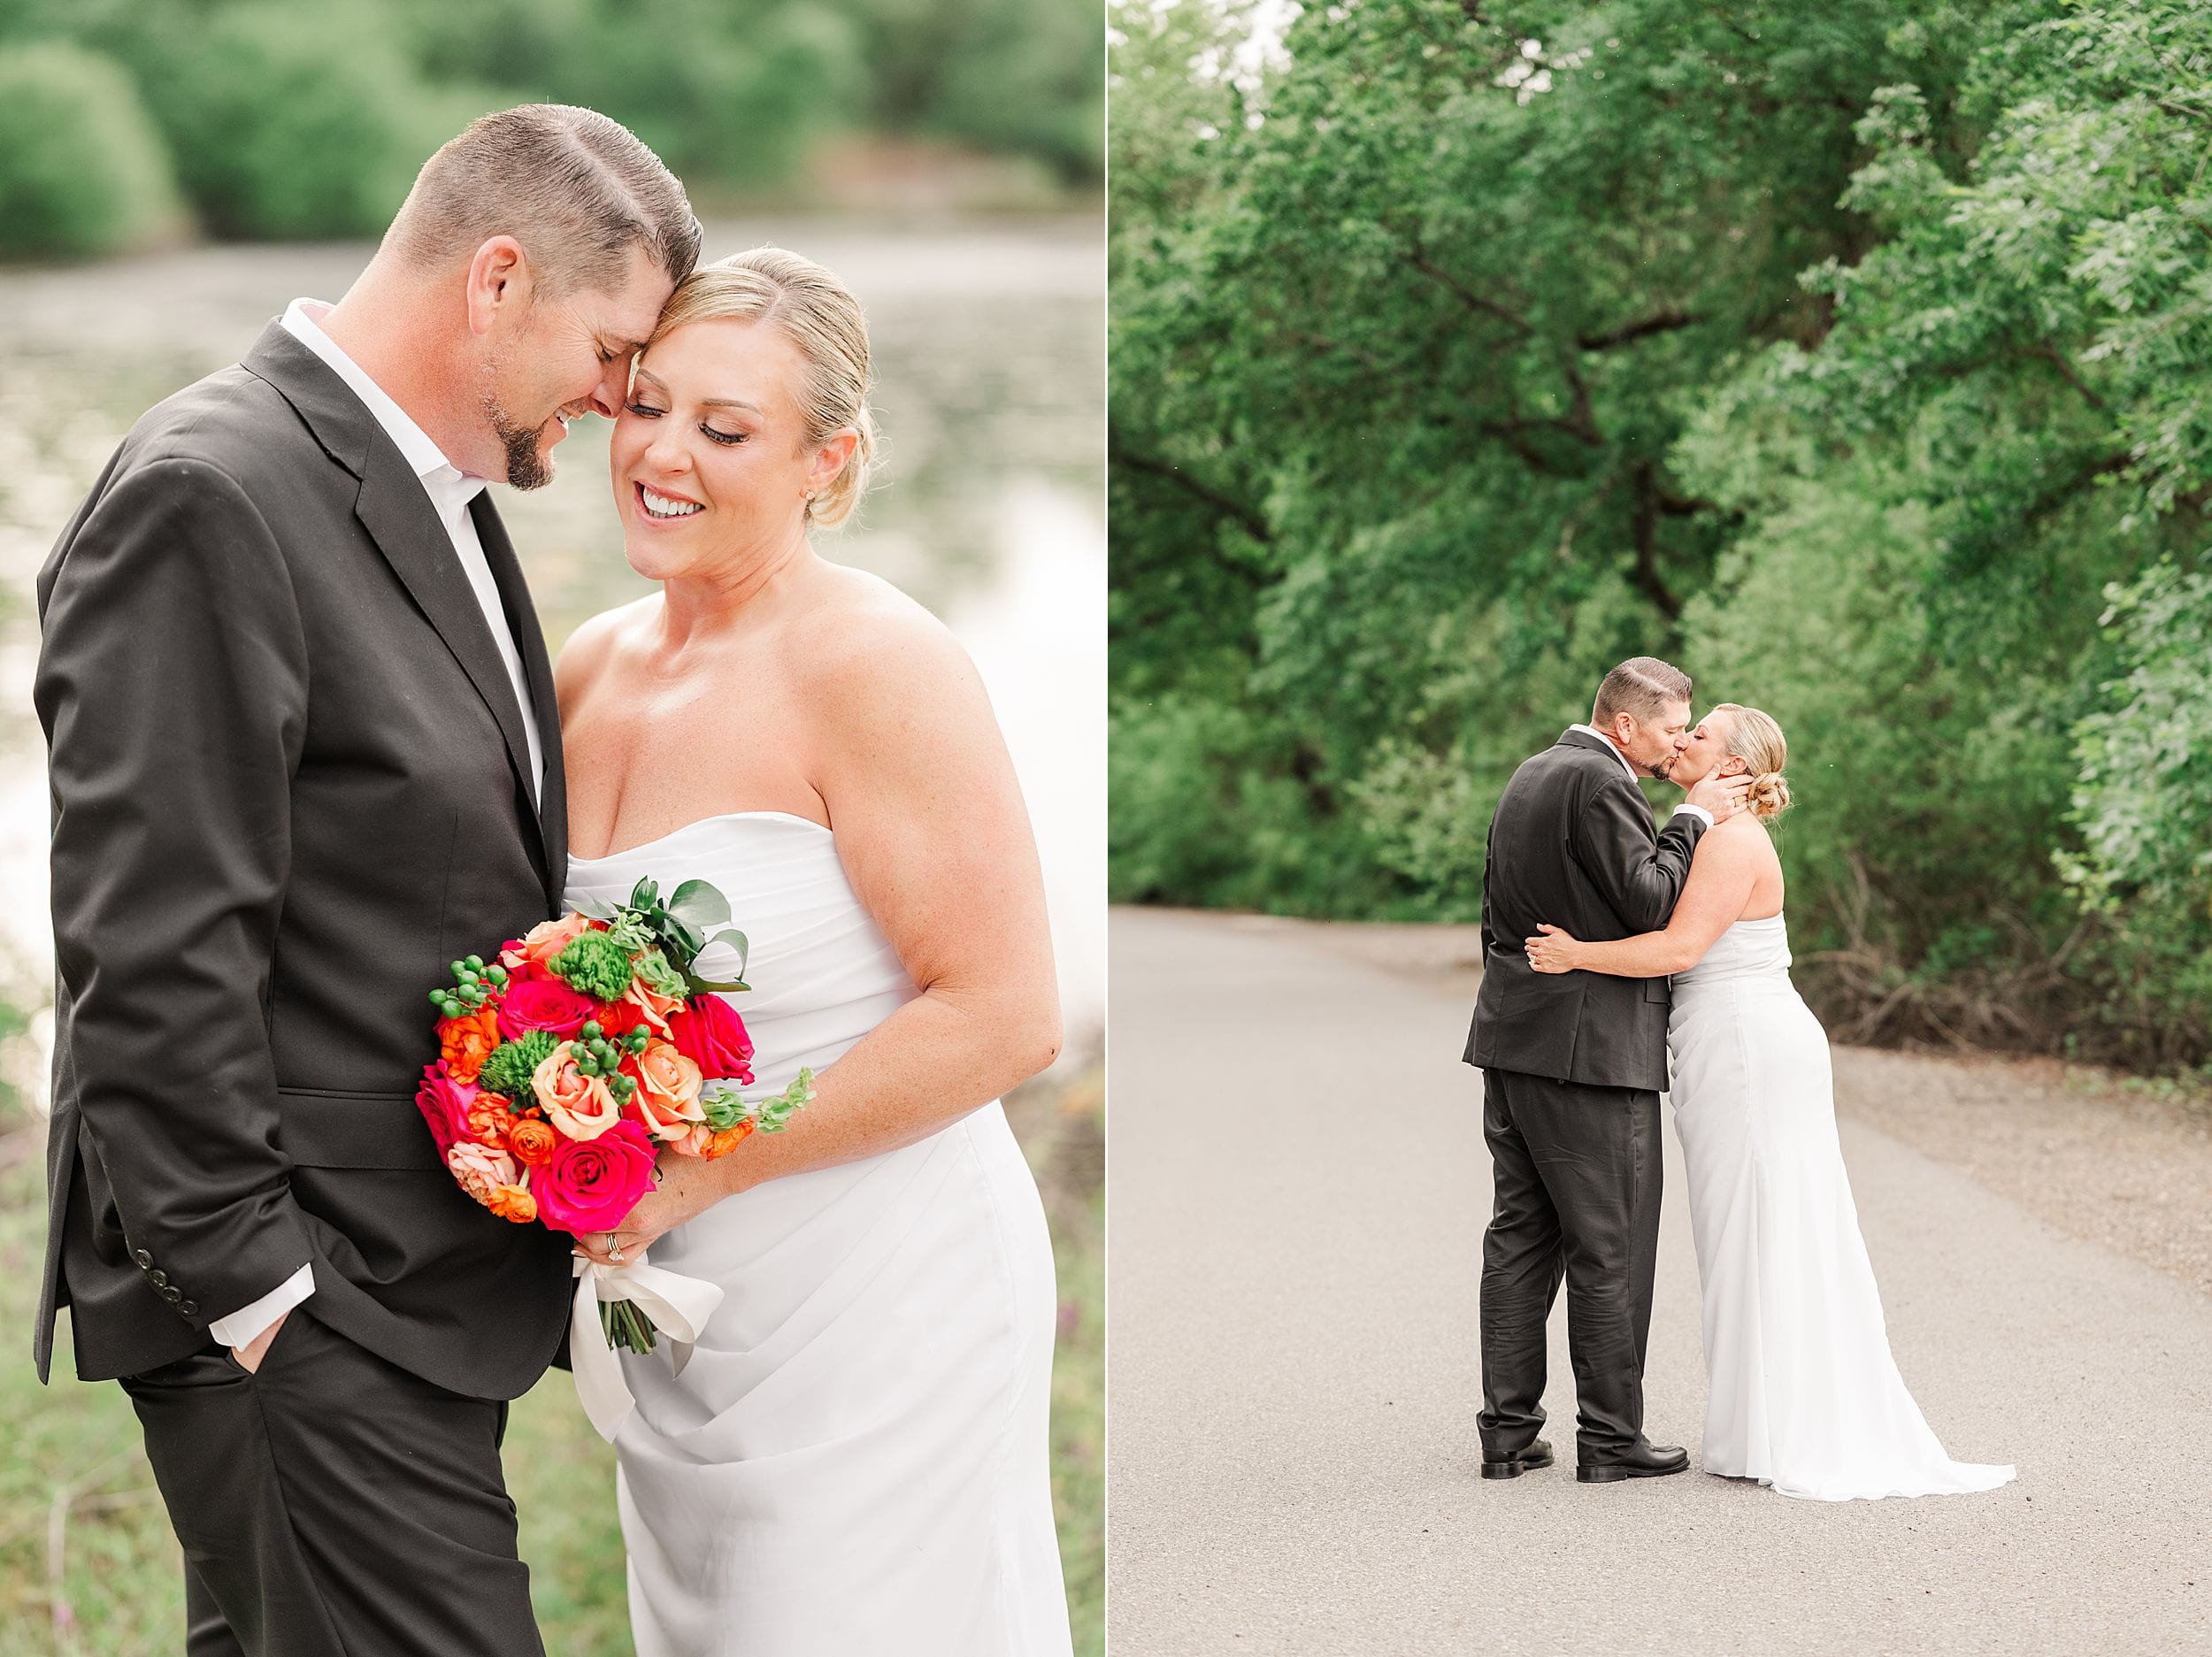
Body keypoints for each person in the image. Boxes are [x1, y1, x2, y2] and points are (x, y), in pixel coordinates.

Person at [35, 105, 697, 1655]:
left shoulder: (434, 492)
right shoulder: (215, 488)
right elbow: (150, 941)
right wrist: (263, 1298)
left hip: (391, 1291)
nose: (615, 405)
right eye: (608, 352)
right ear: (498, 276)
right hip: (293, 1294)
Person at [557, 248, 1073, 1655]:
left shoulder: (878, 664)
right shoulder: (585, 669)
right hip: (683, 1299)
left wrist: (698, 1168)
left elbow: (1007, 1015)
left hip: (877, 1289)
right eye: (647, 404)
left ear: (823, 462)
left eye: (725, 430)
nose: (662, 453)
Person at [1524, 704, 2016, 1500]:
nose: (1681, 740)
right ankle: (1758, 1424)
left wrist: (1576, 954)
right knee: (1742, 1231)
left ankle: (1787, 1428)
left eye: (1700, 735)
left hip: (1749, 1047)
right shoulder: (1708, 832)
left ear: (1736, 768)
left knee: (1762, 1227)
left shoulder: (1733, 842)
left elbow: (1679, 949)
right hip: (1726, 1040)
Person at [1463, 656, 1750, 1482]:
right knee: (1612, 1244)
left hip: (1511, 1037)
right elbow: (1652, 900)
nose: (1673, 745)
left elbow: (1491, 910)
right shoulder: (1603, 783)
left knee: (1520, 1238)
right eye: (1667, 729)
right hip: (1590, 1055)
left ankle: (1508, 1433)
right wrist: (1691, 817)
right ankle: (1612, 1437)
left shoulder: (1529, 773)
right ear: (1626, 723)